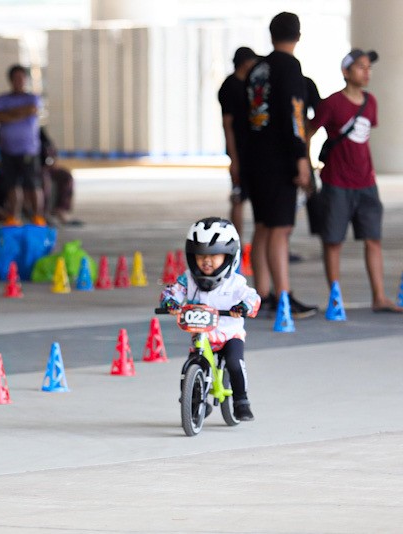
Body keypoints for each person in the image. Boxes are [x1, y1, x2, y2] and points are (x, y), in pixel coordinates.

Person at [309, 49, 402, 313]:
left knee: (373, 238)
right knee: (333, 240)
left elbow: (363, 136)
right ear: (346, 72)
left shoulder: (370, 102)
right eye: (361, 67)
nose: (366, 72)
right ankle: (336, 299)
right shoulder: (332, 103)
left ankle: (380, 297)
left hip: (366, 183)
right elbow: (309, 131)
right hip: (336, 183)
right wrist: (304, 163)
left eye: (368, 67)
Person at [244, 12, 317, 318]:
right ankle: (284, 298)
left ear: (271, 35)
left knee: (263, 227)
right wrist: (301, 157)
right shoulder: (290, 67)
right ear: (298, 36)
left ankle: (261, 294)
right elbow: (294, 114)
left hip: (255, 159)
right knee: (280, 228)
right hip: (280, 159)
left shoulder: (257, 68)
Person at [160, 217, 261, 421]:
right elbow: (173, 291)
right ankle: (194, 401)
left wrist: (243, 307)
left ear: (230, 255)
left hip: (228, 334)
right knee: (190, 365)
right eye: (200, 256)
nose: (206, 261)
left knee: (234, 363)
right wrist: (170, 303)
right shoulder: (188, 279)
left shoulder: (235, 283)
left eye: (214, 255)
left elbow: (253, 298)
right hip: (200, 332)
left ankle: (241, 401)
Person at [0, 64, 45, 226]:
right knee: (12, 185)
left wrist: (9, 115)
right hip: (7, 150)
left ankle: (38, 217)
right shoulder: (2, 99)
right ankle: (13, 217)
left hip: (29, 150)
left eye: (21, 77)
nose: (19, 81)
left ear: (26, 79)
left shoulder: (33, 98)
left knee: (33, 185)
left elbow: (31, 110)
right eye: (15, 78)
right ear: (10, 80)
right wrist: (20, 113)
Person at [218, 46, 259, 238]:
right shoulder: (229, 87)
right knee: (238, 198)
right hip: (240, 151)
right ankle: (237, 242)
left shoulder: (252, 84)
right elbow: (227, 124)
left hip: (255, 151)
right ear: (245, 63)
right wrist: (234, 158)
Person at [39, 127, 79, 226]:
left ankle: (61, 209)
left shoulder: (41, 135)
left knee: (66, 176)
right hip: (29, 169)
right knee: (44, 179)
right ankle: (42, 213)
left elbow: (52, 156)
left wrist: (51, 162)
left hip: (46, 167)